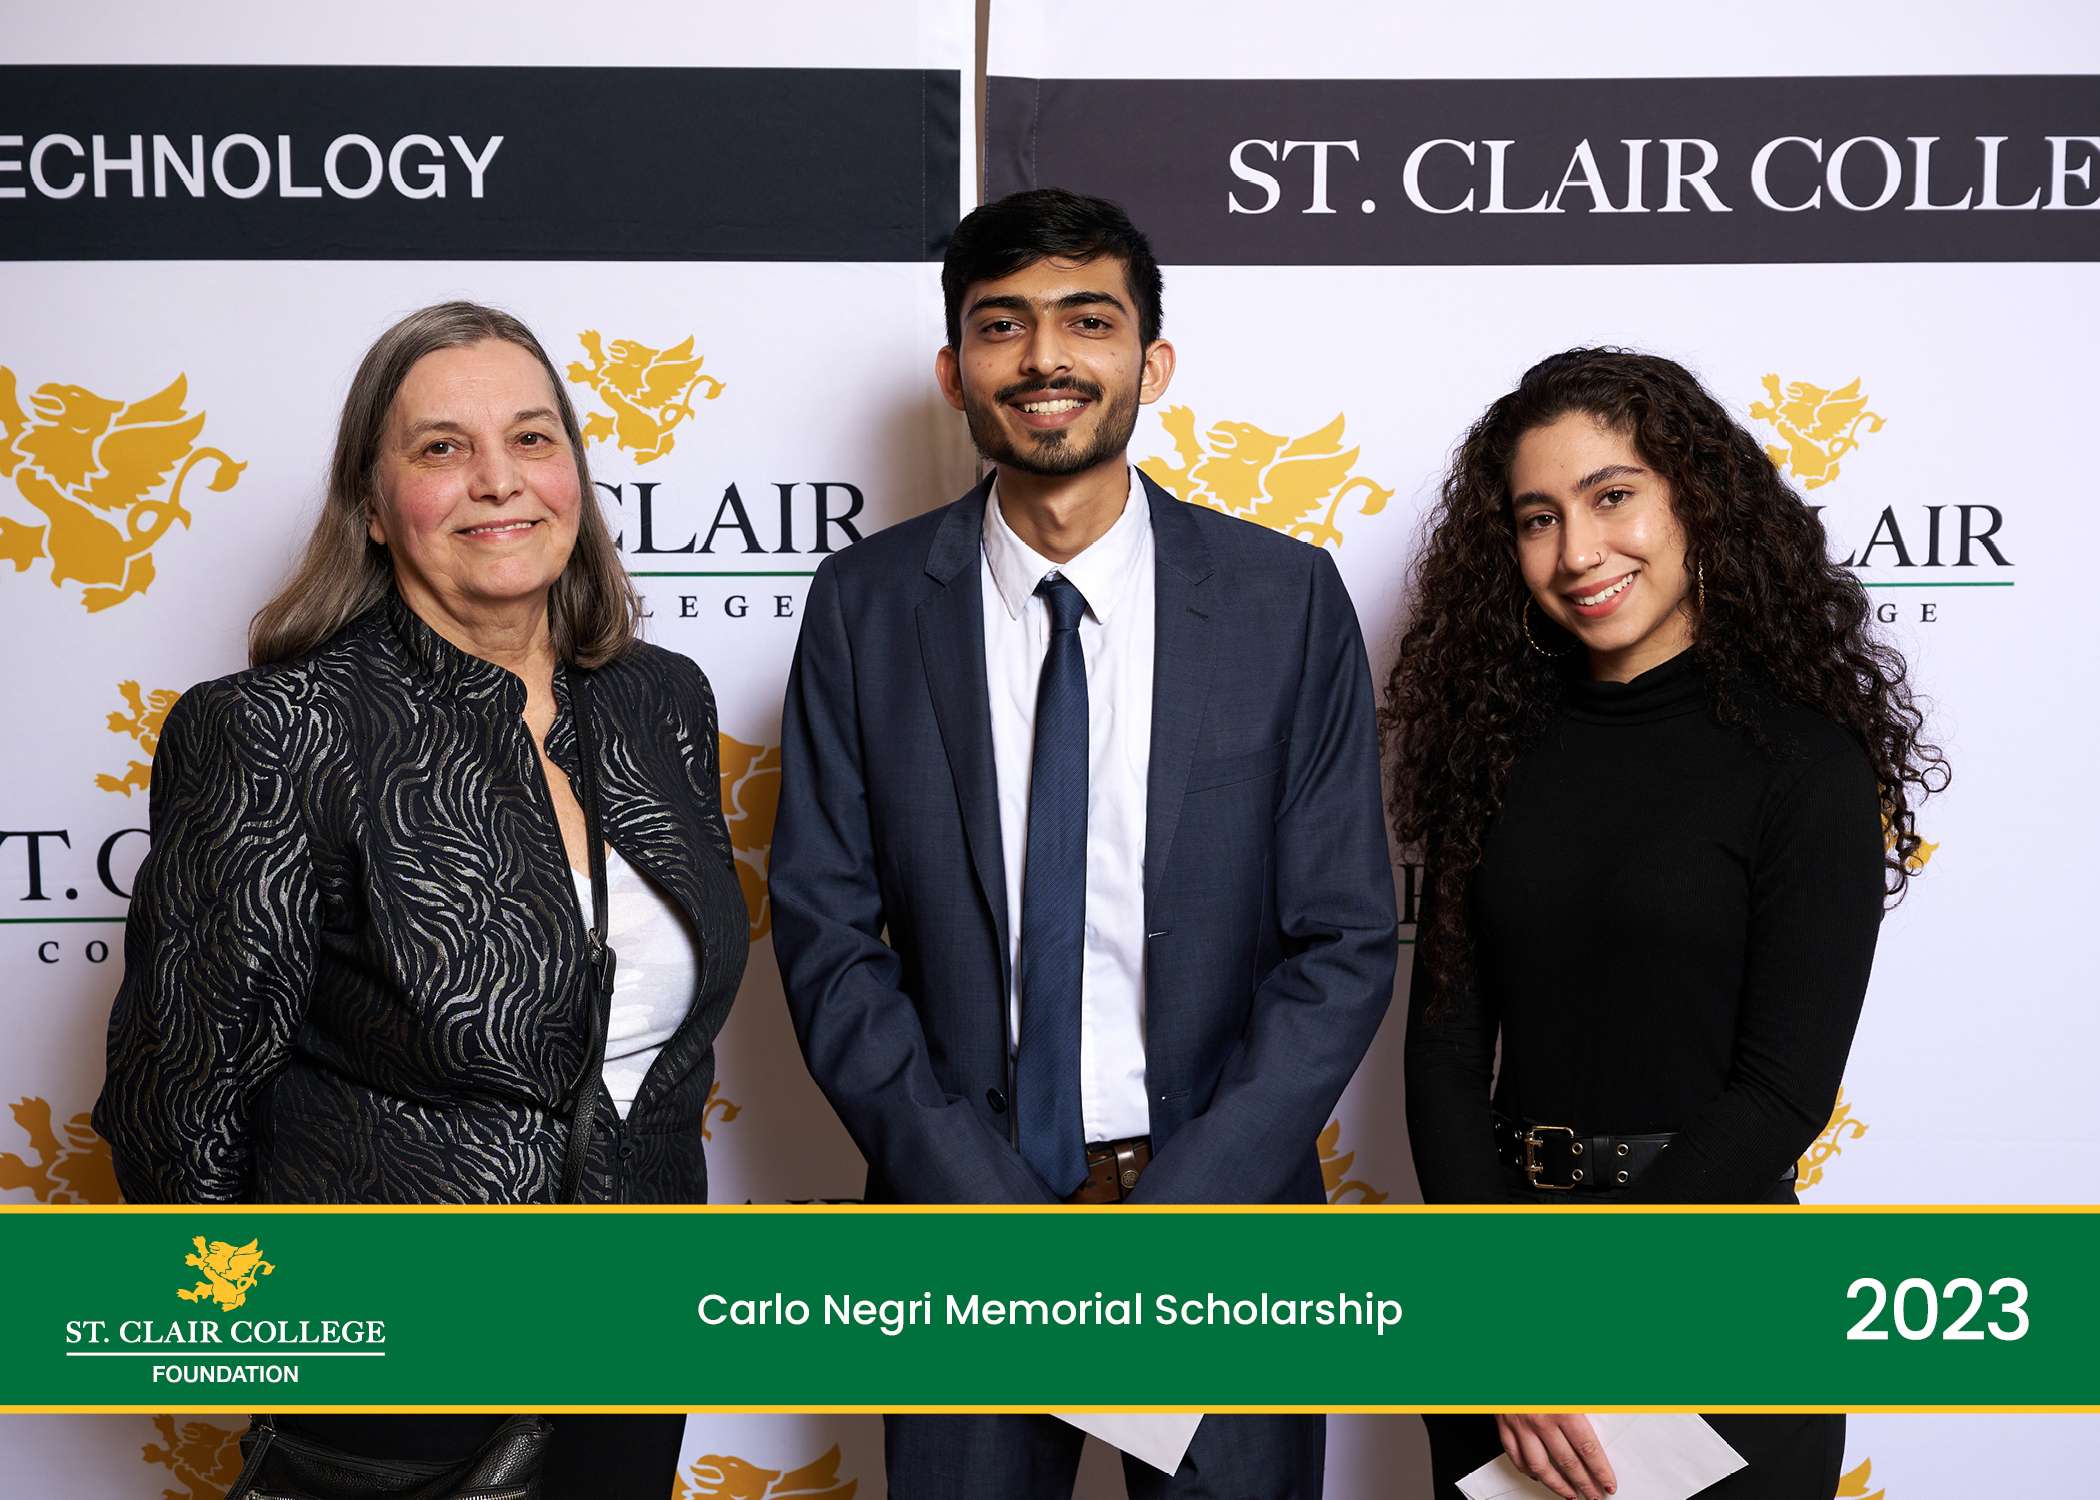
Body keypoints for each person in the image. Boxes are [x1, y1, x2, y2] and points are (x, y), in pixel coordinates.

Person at [767, 187, 1398, 1498]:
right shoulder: (864, 607)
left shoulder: (1283, 601)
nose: (1044, 357)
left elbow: (1341, 939)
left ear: (1151, 364)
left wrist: (1185, 1210)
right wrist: (982, 1205)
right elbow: (826, 938)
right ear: (955, 372)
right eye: (1002, 324)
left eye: (1087, 321)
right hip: (964, 1234)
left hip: (1220, 1235)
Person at [93, 300, 748, 1495]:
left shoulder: (660, 701)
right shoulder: (276, 730)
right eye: (444, 448)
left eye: (533, 438)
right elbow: (175, 1103)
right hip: (393, 1370)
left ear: (575, 474)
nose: (500, 480)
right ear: (373, 503)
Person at [1384, 349, 1948, 1500]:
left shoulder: (1804, 764)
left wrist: (1584, 1313)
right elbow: (1442, 1053)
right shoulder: (1489, 753)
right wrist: (1499, 1316)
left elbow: (1780, 1092)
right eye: (1537, 518)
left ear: (1697, 499)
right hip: (1502, 1300)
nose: (1577, 552)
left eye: (1612, 496)